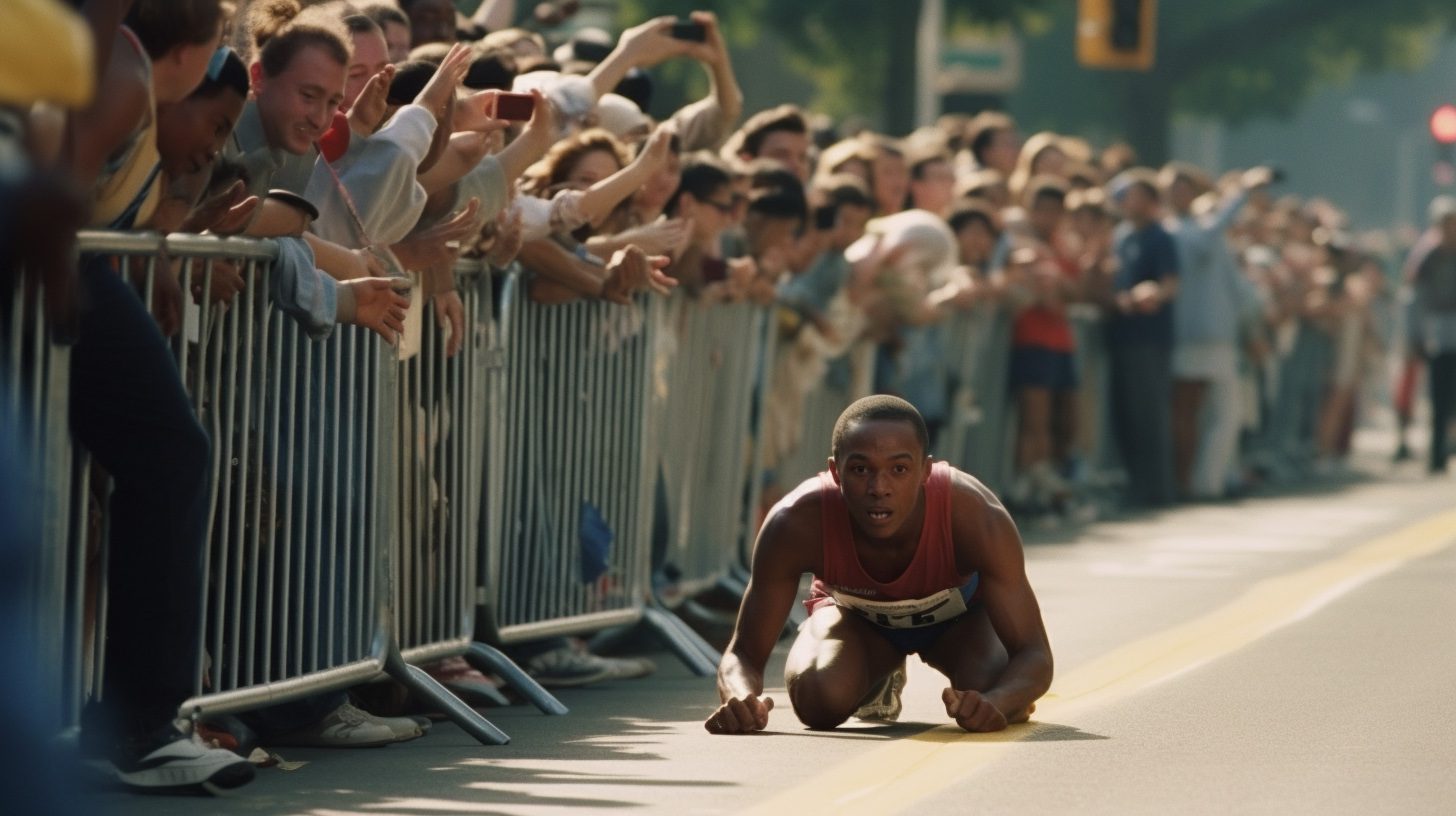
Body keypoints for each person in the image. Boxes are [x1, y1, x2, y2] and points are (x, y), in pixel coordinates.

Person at [706, 395, 1053, 733]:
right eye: (860, 470)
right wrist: (740, 699)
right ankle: (874, 675)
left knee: (993, 685)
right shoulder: (794, 522)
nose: (879, 487)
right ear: (835, 471)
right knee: (817, 700)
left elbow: (1034, 653)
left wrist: (1000, 702)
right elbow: (744, 652)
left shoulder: (976, 515)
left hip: (958, 626)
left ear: (925, 471)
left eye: (899, 469)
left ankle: (967, 686)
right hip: (859, 625)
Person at [1104, 169, 1179, 507]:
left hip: (1148, 338)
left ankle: (1155, 488)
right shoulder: (1121, 236)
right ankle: (1134, 484)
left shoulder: (1159, 237)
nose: (1126, 201)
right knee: (1124, 414)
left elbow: (1170, 283)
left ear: (1150, 202)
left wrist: (1152, 294)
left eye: (1134, 195)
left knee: (1147, 414)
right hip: (1121, 333)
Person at [1408, 195, 1456, 474]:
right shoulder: (1427, 255)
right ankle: (1436, 451)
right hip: (1438, 332)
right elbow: (1415, 297)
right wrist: (1416, 335)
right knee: (1439, 396)